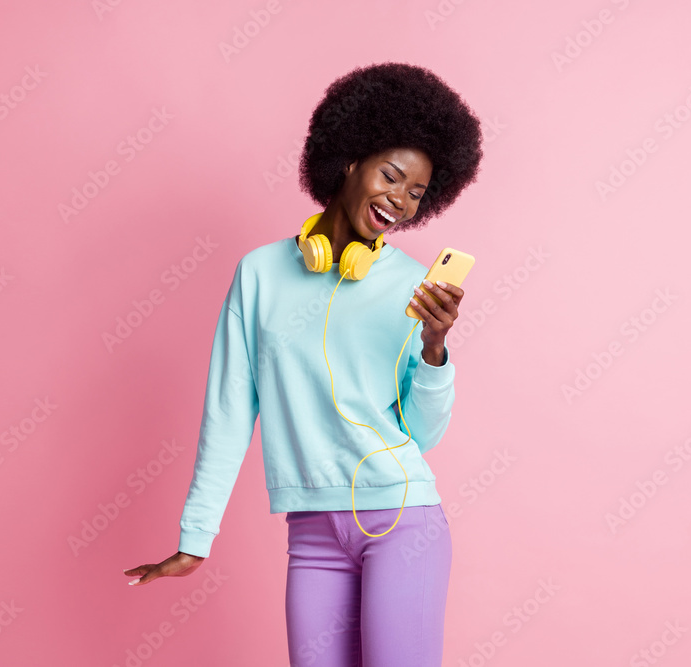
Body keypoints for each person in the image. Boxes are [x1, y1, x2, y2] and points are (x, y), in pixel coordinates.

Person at [123, 61, 483, 666]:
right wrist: (196, 536)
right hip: (311, 530)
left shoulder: (414, 287)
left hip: (402, 520)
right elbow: (230, 411)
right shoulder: (259, 274)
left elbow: (424, 434)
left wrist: (434, 350)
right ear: (348, 161)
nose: (399, 199)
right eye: (390, 176)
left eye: (415, 193)